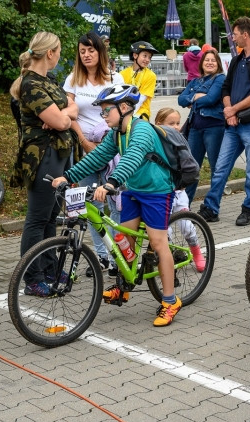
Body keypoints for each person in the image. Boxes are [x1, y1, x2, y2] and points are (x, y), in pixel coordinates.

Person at [53, 85, 183, 326]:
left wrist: (111, 182)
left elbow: (133, 157)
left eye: (106, 111)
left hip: (157, 191)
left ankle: (170, 300)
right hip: (134, 190)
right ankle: (124, 286)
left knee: (157, 242)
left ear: (124, 108)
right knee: (124, 239)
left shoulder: (141, 130)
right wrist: (68, 176)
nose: (103, 116)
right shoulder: (116, 134)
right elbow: (96, 157)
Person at [11, 31, 78, 295]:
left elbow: (73, 108)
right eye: (59, 50)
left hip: (58, 152)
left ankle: (49, 266)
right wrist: (63, 116)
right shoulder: (30, 84)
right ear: (50, 52)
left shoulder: (47, 79)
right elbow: (64, 121)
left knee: (52, 215)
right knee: (38, 218)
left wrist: (62, 114)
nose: (60, 55)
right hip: (41, 155)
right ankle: (32, 277)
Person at [197, 16, 250, 227]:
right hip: (233, 124)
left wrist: (233, 109)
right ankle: (211, 208)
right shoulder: (237, 59)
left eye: (235, 34)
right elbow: (226, 87)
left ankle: (249, 209)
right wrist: (229, 111)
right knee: (221, 167)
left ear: (245, 34)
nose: (233, 37)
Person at [63, 31, 124, 268]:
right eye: (82, 51)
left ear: (100, 52)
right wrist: (84, 142)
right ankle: (101, 256)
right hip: (84, 146)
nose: (86, 55)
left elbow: (121, 112)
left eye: (91, 50)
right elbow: (69, 112)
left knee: (115, 203)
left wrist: (108, 143)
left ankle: (119, 254)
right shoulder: (72, 80)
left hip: (112, 145)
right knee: (90, 205)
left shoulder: (114, 78)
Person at [154, 108, 206, 271]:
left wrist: (183, 183)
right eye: (171, 124)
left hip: (178, 192)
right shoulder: (153, 142)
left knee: (186, 225)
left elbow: (190, 165)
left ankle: (196, 251)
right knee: (164, 229)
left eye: (178, 123)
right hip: (160, 193)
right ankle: (168, 255)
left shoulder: (180, 141)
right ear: (159, 124)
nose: (176, 127)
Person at [177, 49, 226, 204]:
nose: (210, 63)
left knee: (215, 168)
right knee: (191, 168)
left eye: (213, 60)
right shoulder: (195, 81)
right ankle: (186, 205)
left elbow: (211, 99)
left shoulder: (220, 79)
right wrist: (195, 97)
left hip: (214, 127)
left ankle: (211, 206)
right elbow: (180, 100)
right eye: (206, 60)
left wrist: (192, 99)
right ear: (201, 63)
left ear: (218, 63)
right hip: (195, 128)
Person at [120, 41, 159, 121]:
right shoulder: (122, 74)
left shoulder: (151, 75)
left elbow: (141, 99)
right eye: (145, 56)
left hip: (140, 113)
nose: (147, 60)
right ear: (135, 55)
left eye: (149, 57)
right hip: (122, 111)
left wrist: (128, 115)